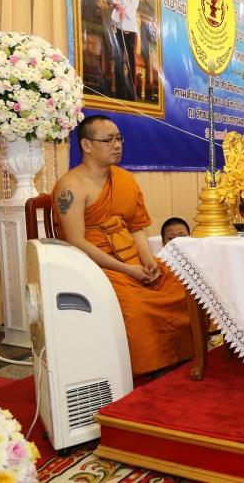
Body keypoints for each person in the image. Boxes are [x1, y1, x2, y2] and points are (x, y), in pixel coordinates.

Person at [53, 115, 194, 376]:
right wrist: (127, 271)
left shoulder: (126, 180)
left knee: (185, 283)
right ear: (86, 145)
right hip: (97, 266)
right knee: (138, 305)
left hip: (132, 259)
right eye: (108, 140)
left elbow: (136, 226)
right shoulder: (70, 186)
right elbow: (76, 241)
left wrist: (148, 260)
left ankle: (186, 353)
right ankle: (155, 365)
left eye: (119, 138)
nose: (117, 145)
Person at [105, 0, 140, 101]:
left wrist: (126, 12)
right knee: (118, 55)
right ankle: (120, 90)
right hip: (116, 17)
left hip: (129, 20)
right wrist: (116, 5)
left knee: (130, 58)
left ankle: (132, 92)